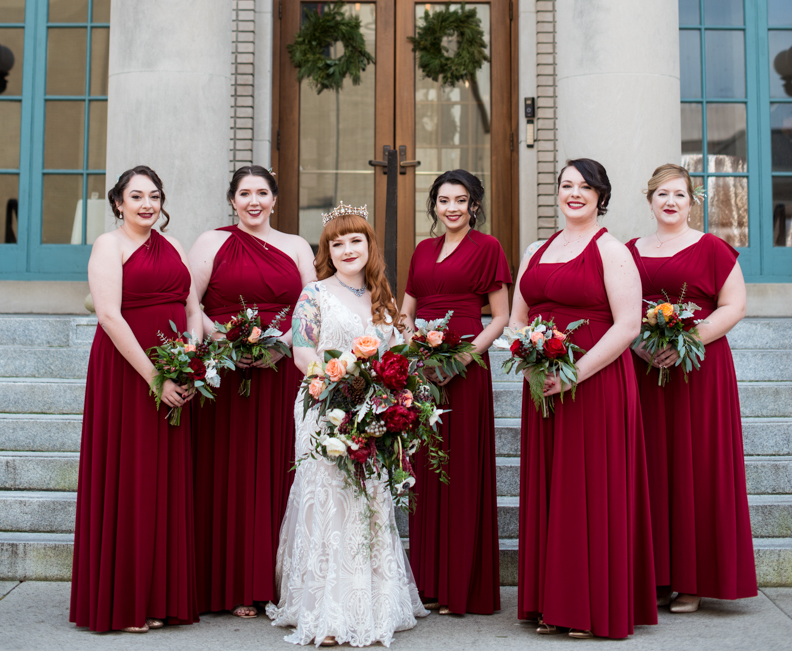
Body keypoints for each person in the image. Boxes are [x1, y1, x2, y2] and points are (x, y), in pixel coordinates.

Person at [267, 203, 428, 648]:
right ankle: (328, 609)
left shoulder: (384, 297)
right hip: (325, 406)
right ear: (328, 251)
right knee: (331, 500)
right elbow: (303, 354)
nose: (347, 249)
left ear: (369, 245)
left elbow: (396, 353)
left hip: (375, 412)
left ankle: (372, 600)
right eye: (336, 243)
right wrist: (345, 385)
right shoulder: (313, 295)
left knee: (370, 498)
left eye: (355, 240)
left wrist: (392, 396)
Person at [512, 159, 657, 640]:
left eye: (585, 187)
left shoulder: (613, 251)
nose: (575, 193)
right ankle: (549, 602)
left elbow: (629, 326)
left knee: (587, 491)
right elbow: (517, 318)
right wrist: (531, 358)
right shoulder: (536, 249)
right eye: (567, 185)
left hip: (594, 386)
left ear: (601, 195)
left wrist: (572, 374)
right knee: (551, 489)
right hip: (543, 383)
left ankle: (588, 606)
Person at [70, 166, 201, 633]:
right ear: (119, 203)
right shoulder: (110, 244)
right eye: (137, 196)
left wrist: (192, 361)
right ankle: (124, 601)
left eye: (154, 195)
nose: (147, 203)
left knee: (164, 480)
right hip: (128, 373)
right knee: (132, 477)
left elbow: (191, 309)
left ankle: (162, 597)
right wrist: (155, 378)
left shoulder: (176, 246)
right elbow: (108, 314)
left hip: (173, 369)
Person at [627, 163, 757, 612]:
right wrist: (642, 348)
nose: (670, 202)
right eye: (662, 194)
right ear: (649, 201)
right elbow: (616, 309)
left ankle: (693, 579)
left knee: (696, 468)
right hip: (644, 370)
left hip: (700, 370)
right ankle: (657, 573)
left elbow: (734, 305)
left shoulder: (712, 247)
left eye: (679, 195)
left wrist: (686, 341)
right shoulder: (628, 251)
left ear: (691, 201)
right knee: (651, 467)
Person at [190, 165, 316, 617]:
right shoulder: (211, 242)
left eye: (262, 192)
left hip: (281, 373)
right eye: (244, 193)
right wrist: (221, 339)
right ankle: (230, 581)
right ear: (232, 200)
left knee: (277, 470)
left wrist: (281, 344)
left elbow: (310, 306)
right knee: (230, 471)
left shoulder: (298, 246)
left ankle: (273, 581)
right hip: (226, 376)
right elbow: (191, 302)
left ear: (275, 199)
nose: (254, 201)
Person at [400, 169, 511, 616]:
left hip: (466, 362)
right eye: (444, 200)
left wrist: (463, 357)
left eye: (460, 201)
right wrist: (416, 349)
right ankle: (428, 582)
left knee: (461, 469)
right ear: (434, 205)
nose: (452, 208)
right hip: (423, 366)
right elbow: (406, 310)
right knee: (427, 469)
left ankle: (462, 586)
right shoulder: (422, 250)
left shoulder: (489, 249)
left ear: (474, 206)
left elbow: (500, 317)